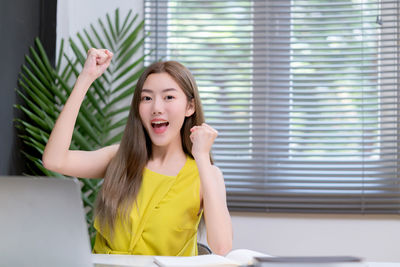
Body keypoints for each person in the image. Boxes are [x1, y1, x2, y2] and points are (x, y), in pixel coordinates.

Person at [42, 48, 233, 256]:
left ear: (190, 107)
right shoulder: (119, 158)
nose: (157, 108)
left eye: (169, 97)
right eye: (146, 98)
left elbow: (221, 247)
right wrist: (86, 78)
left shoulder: (206, 174)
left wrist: (202, 157)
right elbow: (54, 160)